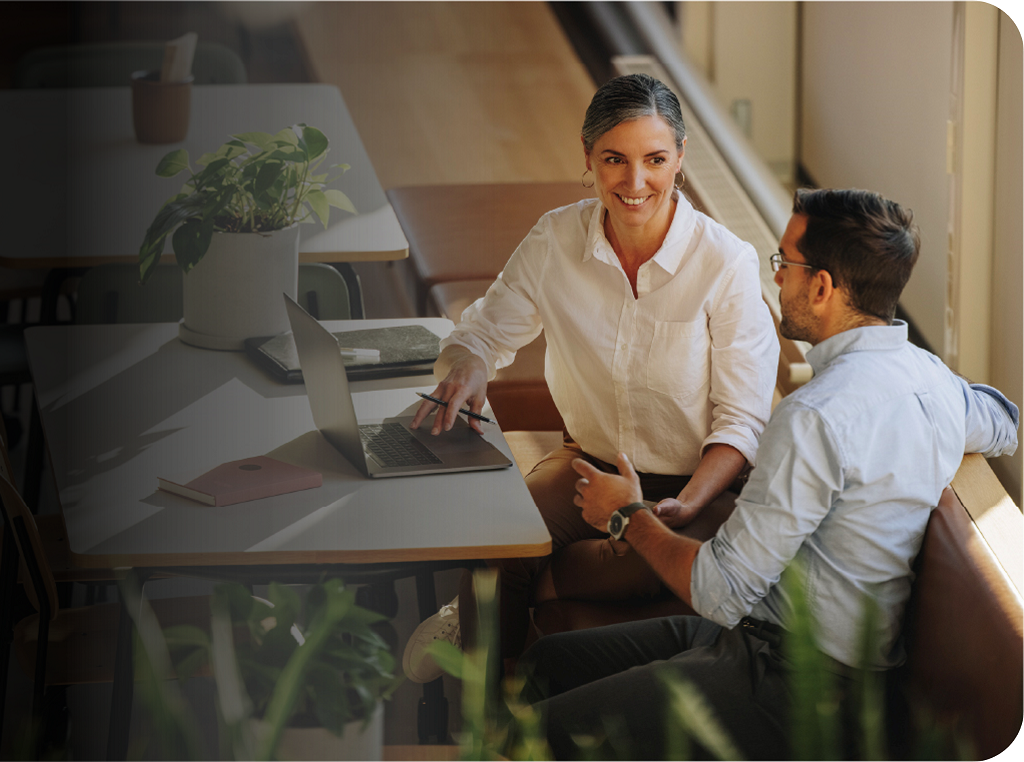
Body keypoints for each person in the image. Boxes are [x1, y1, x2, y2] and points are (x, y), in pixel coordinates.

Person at [515, 188, 1019, 758]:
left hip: (796, 684)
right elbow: (1004, 420)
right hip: (766, 638)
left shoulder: (814, 416)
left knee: (535, 732)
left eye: (784, 264)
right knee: (544, 664)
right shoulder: (931, 379)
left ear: (823, 287)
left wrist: (627, 514)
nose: (776, 279)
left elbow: (719, 589)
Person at [402, 73, 778, 681]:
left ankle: (529, 586)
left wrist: (679, 507)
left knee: (647, 559)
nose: (635, 183)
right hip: (589, 466)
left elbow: (741, 422)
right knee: (496, 536)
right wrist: (469, 367)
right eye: (614, 160)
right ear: (588, 158)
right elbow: (483, 333)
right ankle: (487, 719)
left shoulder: (725, 263)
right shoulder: (555, 239)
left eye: (655, 159)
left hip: (698, 484)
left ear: (680, 159)